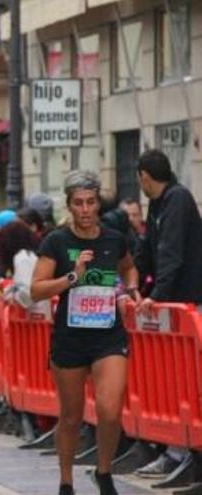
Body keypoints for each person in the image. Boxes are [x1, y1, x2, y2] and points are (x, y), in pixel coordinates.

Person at [30, 170, 139, 495]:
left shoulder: (113, 238)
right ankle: (66, 481)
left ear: (97, 205)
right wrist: (72, 278)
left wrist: (130, 288)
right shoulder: (56, 241)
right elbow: (36, 290)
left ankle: (103, 472)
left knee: (109, 409)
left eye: (91, 202)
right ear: (69, 206)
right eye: (78, 203)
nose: (86, 209)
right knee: (71, 417)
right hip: (70, 339)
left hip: (108, 335)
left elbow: (128, 266)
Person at [131, 150, 202, 479]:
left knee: (189, 379)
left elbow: (170, 252)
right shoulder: (158, 204)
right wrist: (134, 285)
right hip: (174, 306)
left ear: (145, 176)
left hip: (189, 302)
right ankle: (175, 448)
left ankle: (185, 451)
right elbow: (147, 249)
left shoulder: (177, 200)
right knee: (174, 380)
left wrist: (156, 296)